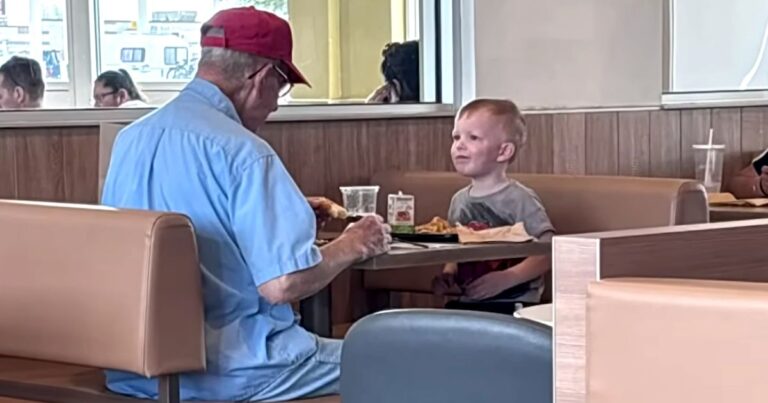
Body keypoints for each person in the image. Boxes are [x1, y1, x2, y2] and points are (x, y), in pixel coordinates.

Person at [101, 7, 391, 402]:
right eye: (282, 86)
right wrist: (354, 243)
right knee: (415, 361)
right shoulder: (246, 154)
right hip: (241, 369)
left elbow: (180, 224)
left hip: (136, 370)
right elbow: (283, 283)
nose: (275, 105)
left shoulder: (130, 140)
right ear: (263, 77)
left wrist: (274, 213)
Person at [432, 98, 555, 314]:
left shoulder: (518, 198)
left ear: (503, 151)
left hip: (514, 306)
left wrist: (507, 278)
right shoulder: (459, 201)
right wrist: (449, 273)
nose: (459, 145)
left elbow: (548, 251)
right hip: (469, 304)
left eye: (473, 138)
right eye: (456, 137)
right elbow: (456, 248)